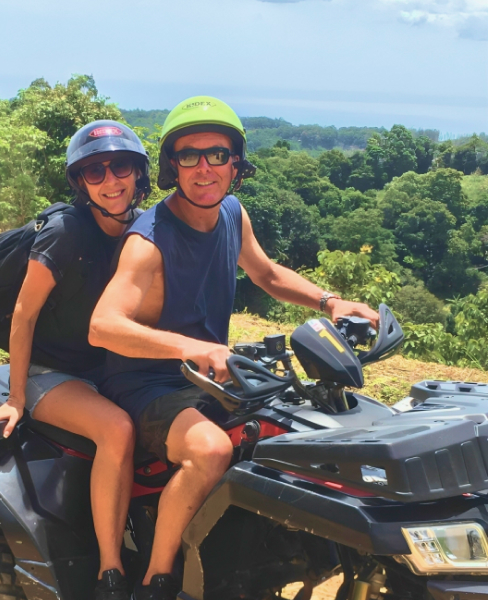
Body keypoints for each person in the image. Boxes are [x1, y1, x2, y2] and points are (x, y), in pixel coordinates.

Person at [89, 97, 379, 600]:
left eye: (217, 155)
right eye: (189, 156)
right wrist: (193, 347)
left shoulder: (229, 212)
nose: (205, 168)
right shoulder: (149, 241)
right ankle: (158, 579)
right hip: (148, 384)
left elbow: (266, 273)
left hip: (210, 375)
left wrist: (331, 301)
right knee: (210, 450)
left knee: (301, 434)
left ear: (235, 163)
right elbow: (103, 326)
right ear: (170, 167)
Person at [0, 120, 151, 600]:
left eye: (120, 166)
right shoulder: (65, 232)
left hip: (104, 366)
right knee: (117, 429)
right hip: (51, 372)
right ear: (81, 183)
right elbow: (24, 314)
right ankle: (109, 571)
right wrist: (17, 396)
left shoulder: (137, 230)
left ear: (138, 173)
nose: (110, 180)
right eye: (95, 171)